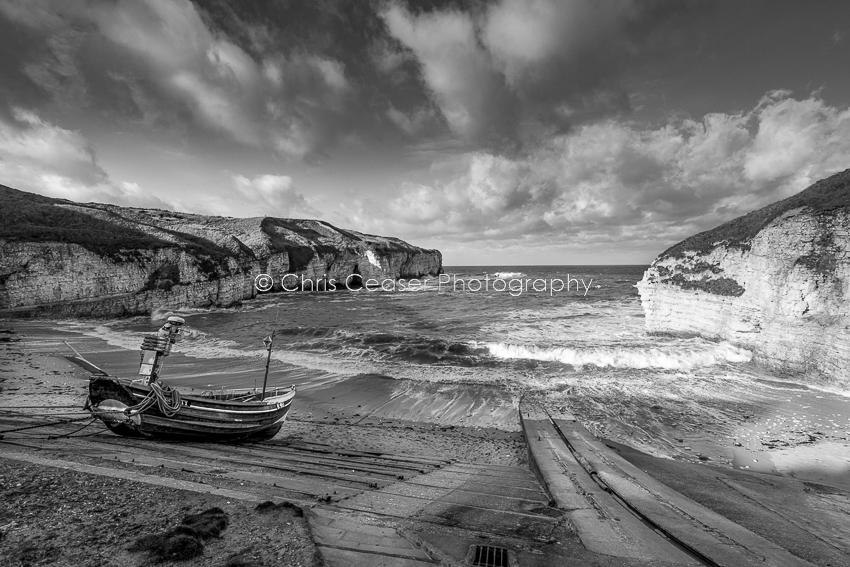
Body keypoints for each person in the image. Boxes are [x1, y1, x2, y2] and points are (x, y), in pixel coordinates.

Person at [139, 316, 185, 383]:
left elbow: (172, 337)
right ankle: (150, 382)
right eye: (177, 325)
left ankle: (148, 381)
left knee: (149, 367)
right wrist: (180, 333)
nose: (177, 327)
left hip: (155, 349)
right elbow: (178, 338)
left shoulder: (164, 329)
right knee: (154, 368)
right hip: (158, 351)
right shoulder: (167, 330)